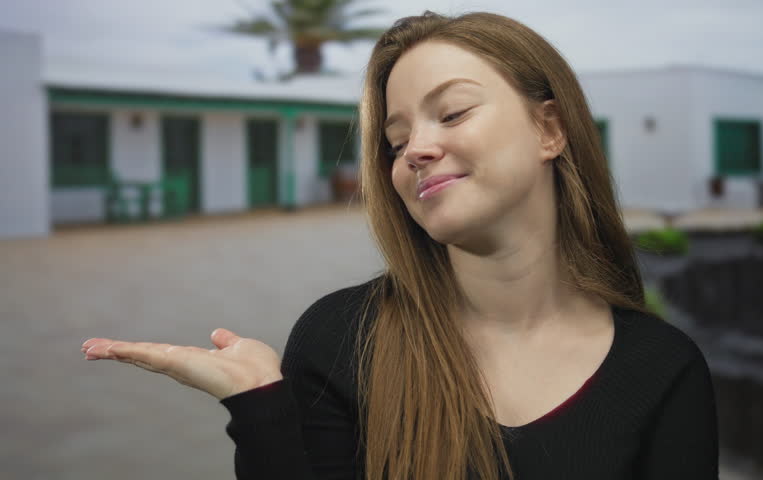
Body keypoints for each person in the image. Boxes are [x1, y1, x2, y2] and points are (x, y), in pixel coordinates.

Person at [81, 10, 719, 480]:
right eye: (395, 139)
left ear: (548, 128)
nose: (415, 149)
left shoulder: (662, 368)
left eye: (453, 112)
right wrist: (261, 413)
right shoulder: (342, 338)